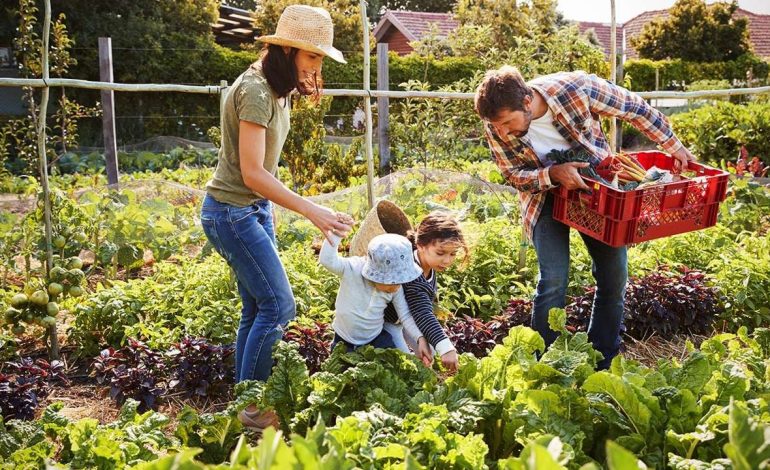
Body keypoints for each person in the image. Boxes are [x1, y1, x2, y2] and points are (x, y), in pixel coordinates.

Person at [473, 67, 696, 370]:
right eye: (497, 127)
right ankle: (545, 367)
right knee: (553, 279)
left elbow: (634, 108)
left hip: (597, 192)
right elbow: (513, 174)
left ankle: (601, 361)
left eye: (507, 123)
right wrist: (553, 174)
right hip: (544, 198)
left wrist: (674, 146)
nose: (502, 133)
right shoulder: (495, 123)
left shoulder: (575, 89)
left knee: (613, 276)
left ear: (527, 101)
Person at [200, 5, 352, 429]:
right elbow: (252, 173)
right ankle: (251, 412)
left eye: (320, 57)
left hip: (251, 209)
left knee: (256, 309)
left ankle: (245, 403)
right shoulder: (255, 91)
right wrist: (312, 210)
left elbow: (260, 174)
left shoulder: (276, 88)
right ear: (286, 51)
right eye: (312, 56)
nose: (317, 67)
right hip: (231, 213)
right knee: (280, 306)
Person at [320, 232, 432, 363]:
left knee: (394, 365)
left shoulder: (396, 288)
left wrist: (420, 338)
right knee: (341, 371)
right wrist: (336, 232)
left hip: (375, 338)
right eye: (392, 281)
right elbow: (327, 260)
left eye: (400, 281)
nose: (396, 286)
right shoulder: (352, 269)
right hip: (344, 339)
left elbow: (405, 315)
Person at [383, 211, 467, 372]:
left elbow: (420, 310)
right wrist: (446, 348)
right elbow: (422, 313)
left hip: (405, 320)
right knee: (405, 367)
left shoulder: (427, 264)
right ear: (420, 245)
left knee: (430, 357)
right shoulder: (411, 274)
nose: (447, 260)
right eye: (440, 253)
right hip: (385, 323)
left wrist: (424, 340)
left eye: (453, 254)